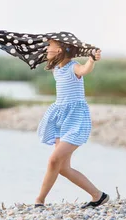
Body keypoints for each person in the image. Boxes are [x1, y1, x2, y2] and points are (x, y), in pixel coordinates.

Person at [34, 40, 109, 208]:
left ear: (59, 50)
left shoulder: (73, 67)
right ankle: (98, 196)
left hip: (75, 119)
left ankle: (39, 200)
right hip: (61, 119)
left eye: (50, 46)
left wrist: (91, 59)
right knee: (62, 168)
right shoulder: (57, 70)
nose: (47, 48)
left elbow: (84, 70)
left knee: (54, 160)